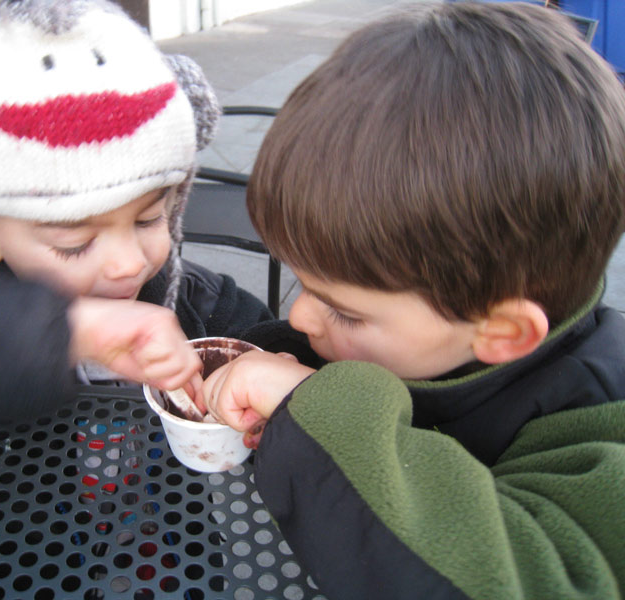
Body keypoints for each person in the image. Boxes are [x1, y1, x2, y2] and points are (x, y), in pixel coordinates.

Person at [200, 2, 625, 598]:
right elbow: (282, 346)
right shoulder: (416, 322)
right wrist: (190, 306)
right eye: (302, 282)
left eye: (343, 309)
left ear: (500, 332)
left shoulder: (597, 430)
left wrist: (313, 406)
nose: (299, 315)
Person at [0, 0, 272, 448]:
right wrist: (65, 332)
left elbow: (268, 337)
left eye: (149, 218)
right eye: (75, 242)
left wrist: (277, 370)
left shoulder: (192, 302)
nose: (130, 264)